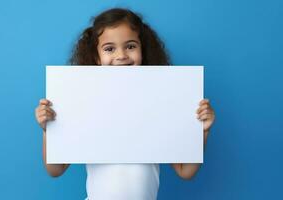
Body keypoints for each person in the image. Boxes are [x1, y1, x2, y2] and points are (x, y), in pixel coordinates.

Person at [35, 8, 215, 200]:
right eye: (109, 48)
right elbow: (55, 169)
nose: (121, 55)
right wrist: (48, 130)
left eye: (130, 46)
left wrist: (202, 131)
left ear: (143, 51)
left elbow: (185, 171)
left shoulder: (159, 103)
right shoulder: (85, 102)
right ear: (96, 57)